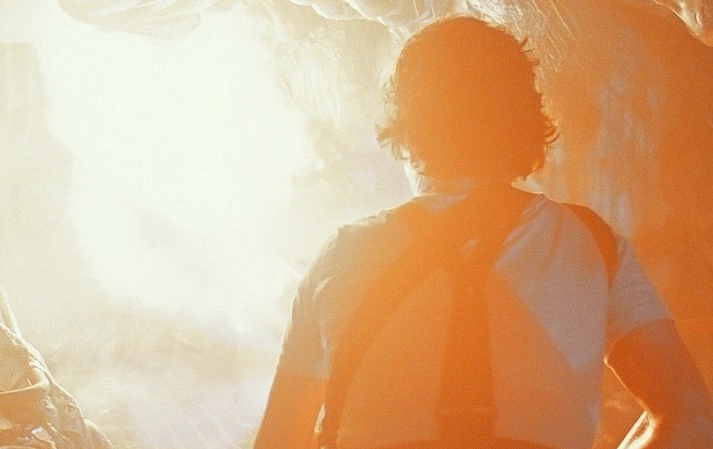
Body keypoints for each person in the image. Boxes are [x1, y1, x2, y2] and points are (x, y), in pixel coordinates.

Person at [253, 17, 713, 449]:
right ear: (525, 119)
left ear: (409, 127)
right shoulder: (591, 245)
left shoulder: (339, 257)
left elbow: (277, 441)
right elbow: (690, 418)